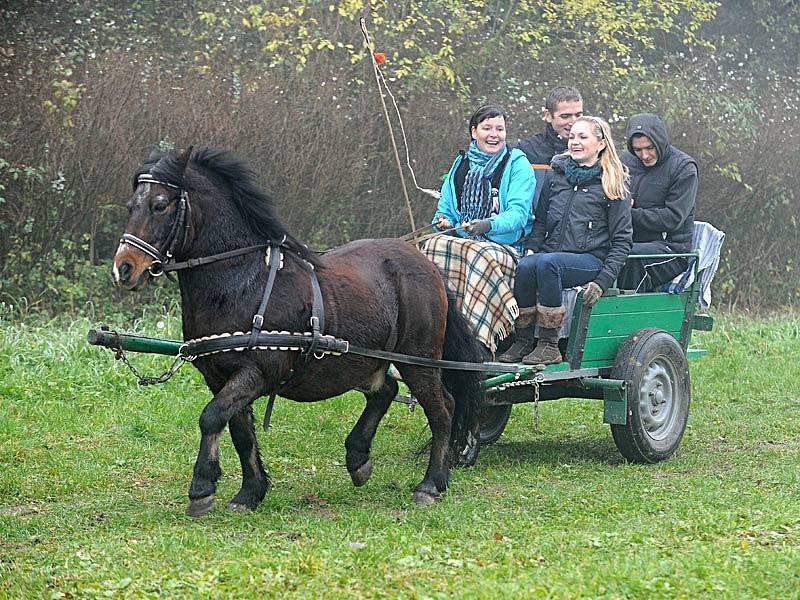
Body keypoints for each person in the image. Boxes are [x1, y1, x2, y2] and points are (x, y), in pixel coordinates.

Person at [499, 116, 632, 365]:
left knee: (549, 264)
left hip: (590, 259)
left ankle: (549, 344)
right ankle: (523, 340)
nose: (575, 142)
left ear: (601, 143)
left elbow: (623, 241)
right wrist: (531, 249)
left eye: (583, 137)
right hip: (552, 253)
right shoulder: (556, 174)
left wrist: (602, 281)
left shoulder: (612, 181)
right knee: (527, 266)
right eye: (572, 137)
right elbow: (540, 222)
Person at [425, 103, 535, 355]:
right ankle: (434, 333)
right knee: (431, 245)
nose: (494, 134)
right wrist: (443, 219)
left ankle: (478, 343)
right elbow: (447, 208)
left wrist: (487, 225)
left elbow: (518, 216)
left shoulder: (517, 164)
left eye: (500, 128)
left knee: (480, 255)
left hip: (505, 246)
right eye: (487, 128)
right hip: (464, 241)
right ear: (474, 132)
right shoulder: (461, 164)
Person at [617, 113, 697, 292]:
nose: (644, 155)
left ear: (660, 141)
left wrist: (627, 212)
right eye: (638, 150)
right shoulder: (623, 163)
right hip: (628, 240)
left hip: (672, 249)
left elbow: (673, 218)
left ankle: (629, 316)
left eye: (650, 148)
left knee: (630, 258)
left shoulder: (683, 168)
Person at [517, 86, 584, 165]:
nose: (573, 122)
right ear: (548, 116)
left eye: (578, 115)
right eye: (565, 116)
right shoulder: (527, 150)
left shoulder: (596, 148)